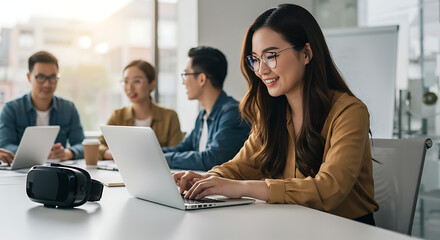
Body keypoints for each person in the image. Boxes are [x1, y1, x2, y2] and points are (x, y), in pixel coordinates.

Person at [173, 4, 379, 225]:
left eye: (270, 56)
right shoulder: (271, 112)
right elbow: (242, 165)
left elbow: (329, 188)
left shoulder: (349, 112)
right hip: (293, 223)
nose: (261, 70)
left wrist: (242, 187)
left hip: (345, 229)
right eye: (255, 59)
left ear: (306, 53)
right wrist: (208, 178)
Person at [162, 46, 251, 171]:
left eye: (186, 74)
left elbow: (212, 159)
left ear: (202, 79)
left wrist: (163, 159)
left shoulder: (233, 113)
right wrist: (154, 154)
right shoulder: (203, 115)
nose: (183, 82)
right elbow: (185, 147)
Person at [0, 51, 85, 160]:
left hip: (56, 171)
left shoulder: (69, 108)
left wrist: (68, 153)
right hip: (21, 171)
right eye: (41, 77)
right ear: (29, 77)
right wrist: (38, 154)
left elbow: (82, 144)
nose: (47, 84)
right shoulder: (11, 109)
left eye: (52, 77)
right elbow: (5, 145)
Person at [99, 60, 184, 160]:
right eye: (126, 82)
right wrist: (115, 154)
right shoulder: (118, 115)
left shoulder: (169, 116)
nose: (130, 88)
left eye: (137, 81)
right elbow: (98, 146)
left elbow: (177, 153)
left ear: (152, 84)